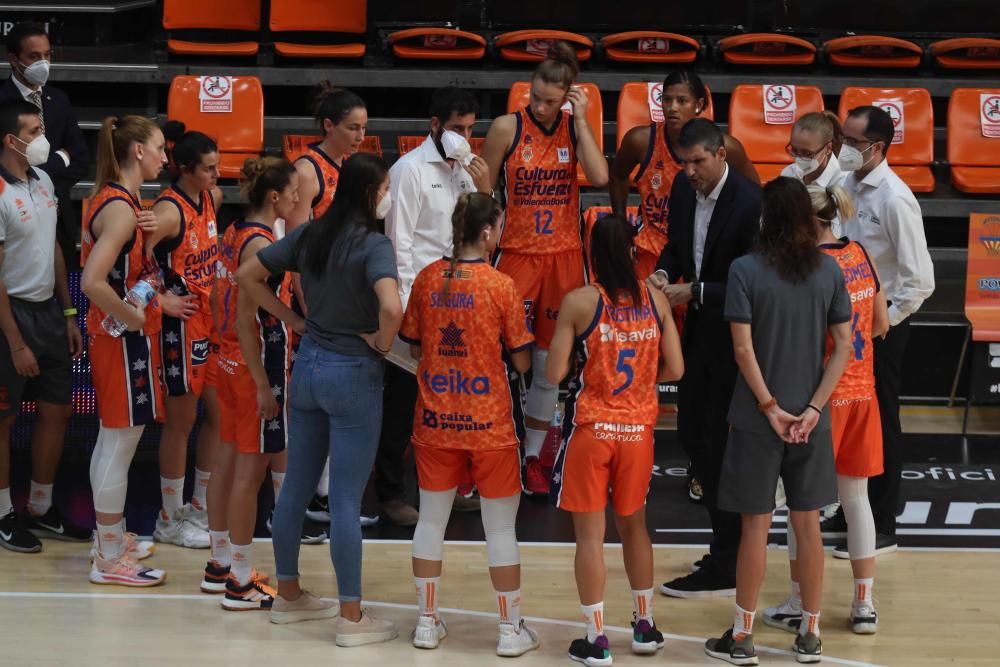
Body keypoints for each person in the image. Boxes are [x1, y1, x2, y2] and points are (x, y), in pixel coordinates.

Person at [237, 152, 402, 645]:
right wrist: (384, 343)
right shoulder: (374, 245)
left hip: (307, 367)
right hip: (353, 371)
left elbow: (248, 274)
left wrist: (289, 319)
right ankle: (351, 619)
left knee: (294, 489)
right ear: (371, 193)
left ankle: (287, 596)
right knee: (347, 501)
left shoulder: (311, 232)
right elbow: (391, 306)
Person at [704, 177, 852, 665]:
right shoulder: (829, 272)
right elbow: (844, 347)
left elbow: (742, 349)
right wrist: (812, 409)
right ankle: (809, 635)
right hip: (812, 420)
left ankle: (742, 637)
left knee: (754, 528)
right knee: (807, 527)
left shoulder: (744, 270)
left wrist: (770, 407)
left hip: (756, 419)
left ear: (766, 218)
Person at [401, 192, 539, 655]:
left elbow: (415, 347)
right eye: (498, 226)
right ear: (487, 231)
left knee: (431, 523)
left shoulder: (426, 278)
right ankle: (508, 631)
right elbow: (522, 362)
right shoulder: (501, 285)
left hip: (437, 420)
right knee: (500, 530)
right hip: (490, 426)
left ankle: (426, 622)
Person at [548, 214, 683, 665]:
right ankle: (644, 627)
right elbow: (677, 370)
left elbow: (552, 374)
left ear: (592, 254)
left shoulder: (580, 302)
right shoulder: (656, 301)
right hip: (637, 432)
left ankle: (597, 638)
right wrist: (644, 385)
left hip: (592, 430)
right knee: (634, 528)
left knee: (590, 538)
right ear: (631, 251)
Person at [481, 41, 609, 497]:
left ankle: (534, 455)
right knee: (501, 355)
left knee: (548, 364)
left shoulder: (575, 130)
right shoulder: (505, 127)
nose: (539, 105)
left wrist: (586, 122)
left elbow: (599, 177)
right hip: (515, 253)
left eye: (550, 100)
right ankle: (495, 446)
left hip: (565, 256)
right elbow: (483, 186)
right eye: (535, 96)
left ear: (568, 97)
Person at [763, 183, 890, 638]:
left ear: (803, 221)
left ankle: (800, 601)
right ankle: (864, 605)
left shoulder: (811, 267)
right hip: (863, 393)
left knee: (804, 507)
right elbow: (881, 324)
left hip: (822, 398)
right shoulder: (860, 254)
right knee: (857, 502)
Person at [649, 118, 761, 597]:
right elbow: (678, 247)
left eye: (698, 162)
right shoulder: (680, 187)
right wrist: (661, 271)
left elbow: (752, 282)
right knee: (695, 435)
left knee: (717, 447)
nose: (689, 171)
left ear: (721, 154)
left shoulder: (750, 202)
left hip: (737, 338)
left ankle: (729, 560)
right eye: (683, 161)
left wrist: (693, 290)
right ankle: (727, 551)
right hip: (698, 332)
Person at [381, 86, 490, 525]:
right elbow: (398, 245)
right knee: (403, 406)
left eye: (469, 128)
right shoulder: (408, 170)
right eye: (456, 128)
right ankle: (390, 493)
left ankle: (443, 488)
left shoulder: (467, 172)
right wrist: (409, 317)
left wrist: (486, 189)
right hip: (417, 306)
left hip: (460, 304)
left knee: (449, 407)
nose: (464, 136)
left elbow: (485, 234)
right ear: (434, 126)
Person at [208, 157, 308, 611]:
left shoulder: (234, 231)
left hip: (228, 360)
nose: (296, 199)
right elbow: (249, 320)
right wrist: (264, 383)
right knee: (250, 474)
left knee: (227, 462)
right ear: (274, 197)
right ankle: (241, 582)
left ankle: (220, 565)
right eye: (292, 193)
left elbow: (217, 298)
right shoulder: (261, 245)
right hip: (253, 367)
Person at [837, 106, 935, 557]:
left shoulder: (895, 198)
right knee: (852, 415)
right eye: (843, 138)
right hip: (847, 323)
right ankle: (851, 507)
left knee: (882, 419)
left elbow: (919, 281)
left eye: (853, 142)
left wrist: (883, 323)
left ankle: (885, 519)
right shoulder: (844, 184)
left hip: (883, 327)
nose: (845, 148)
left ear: (877, 147)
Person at [81, 115, 168, 586]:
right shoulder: (118, 207)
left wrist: (148, 240)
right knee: (120, 441)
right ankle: (108, 557)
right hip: (119, 336)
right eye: (159, 147)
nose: (164, 156)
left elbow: (128, 271)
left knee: (112, 439)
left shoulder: (122, 201)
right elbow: (93, 282)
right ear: (137, 151)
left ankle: (107, 539)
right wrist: (132, 315)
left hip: (116, 336)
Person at [0, 99, 87, 552]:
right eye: (34, 132)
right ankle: (1, 514)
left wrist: (69, 311)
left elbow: (54, 246)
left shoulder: (46, 180)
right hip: (9, 315)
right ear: (10, 140)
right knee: (3, 419)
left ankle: (40, 506)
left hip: (50, 313)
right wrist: (15, 343)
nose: (43, 139)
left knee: (57, 410)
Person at [286, 84, 367, 526]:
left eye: (364, 128)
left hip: (343, 297)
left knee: (341, 398)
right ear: (328, 126)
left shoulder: (349, 166)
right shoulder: (307, 169)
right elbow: (295, 250)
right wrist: (307, 308)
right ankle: (309, 497)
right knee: (315, 402)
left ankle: (329, 496)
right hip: (315, 302)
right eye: (353, 127)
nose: (360, 136)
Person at [143, 121, 222, 550]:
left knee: (222, 417)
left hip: (210, 323)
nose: (217, 174)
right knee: (182, 422)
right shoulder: (167, 212)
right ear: (185, 169)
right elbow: (133, 265)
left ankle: (199, 506)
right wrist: (159, 301)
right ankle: (168, 519)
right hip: (180, 326)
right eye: (209, 168)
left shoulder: (210, 198)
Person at [611, 70, 758, 279]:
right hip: (652, 251)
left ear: (698, 105)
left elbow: (754, 193)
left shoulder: (727, 148)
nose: (672, 108)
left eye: (681, 101)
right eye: (667, 100)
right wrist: (620, 220)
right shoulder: (640, 140)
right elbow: (617, 175)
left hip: (701, 250)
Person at [1, 22, 89, 269]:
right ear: (13, 59)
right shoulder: (2, 103)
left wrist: (43, 183)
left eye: (47, 55)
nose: (43, 62)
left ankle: (68, 309)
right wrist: (60, 159)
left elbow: (81, 156)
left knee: (64, 279)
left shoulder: (59, 100)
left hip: (57, 211)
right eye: (33, 56)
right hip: (13, 213)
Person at [780, 111, 845, 234]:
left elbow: (837, 235)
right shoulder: (789, 173)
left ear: (828, 148)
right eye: (794, 150)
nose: (799, 158)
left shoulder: (844, 183)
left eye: (807, 153)